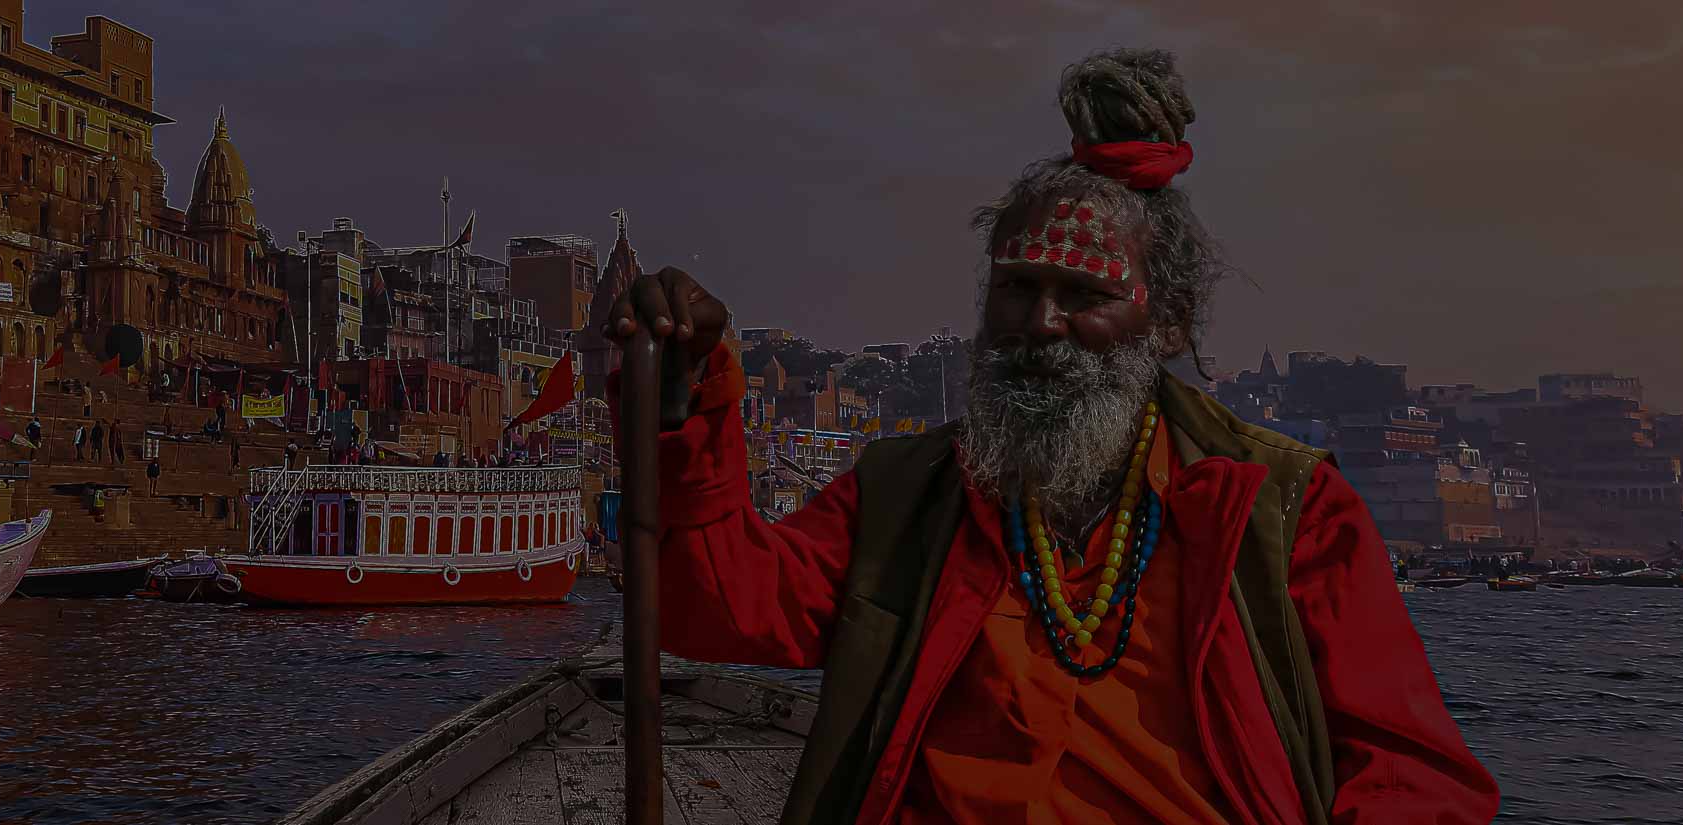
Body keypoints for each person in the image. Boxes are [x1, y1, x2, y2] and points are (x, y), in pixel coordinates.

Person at [603, 49, 1494, 824]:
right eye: (1017, 289)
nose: (1041, 323)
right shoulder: (907, 494)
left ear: (1170, 321)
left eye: (1085, 296)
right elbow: (710, 610)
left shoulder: (1285, 512)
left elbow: (1414, 777)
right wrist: (686, 408)